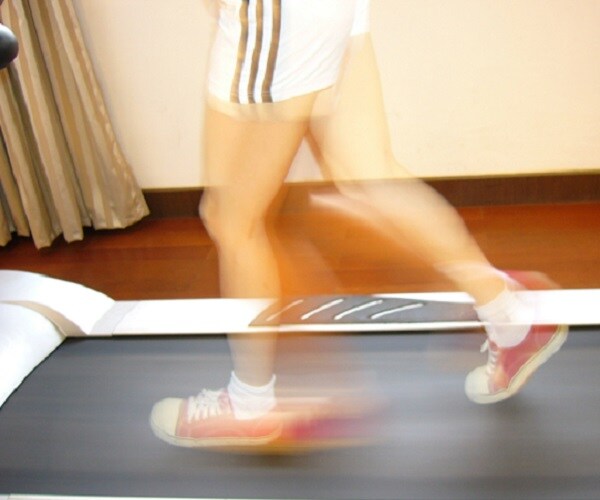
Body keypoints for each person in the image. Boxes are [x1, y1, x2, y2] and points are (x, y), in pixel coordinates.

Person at [150, 0, 567, 450]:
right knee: (368, 173)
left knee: (232, 218)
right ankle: (511, 317)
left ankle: (250, 405)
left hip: (277, 14)